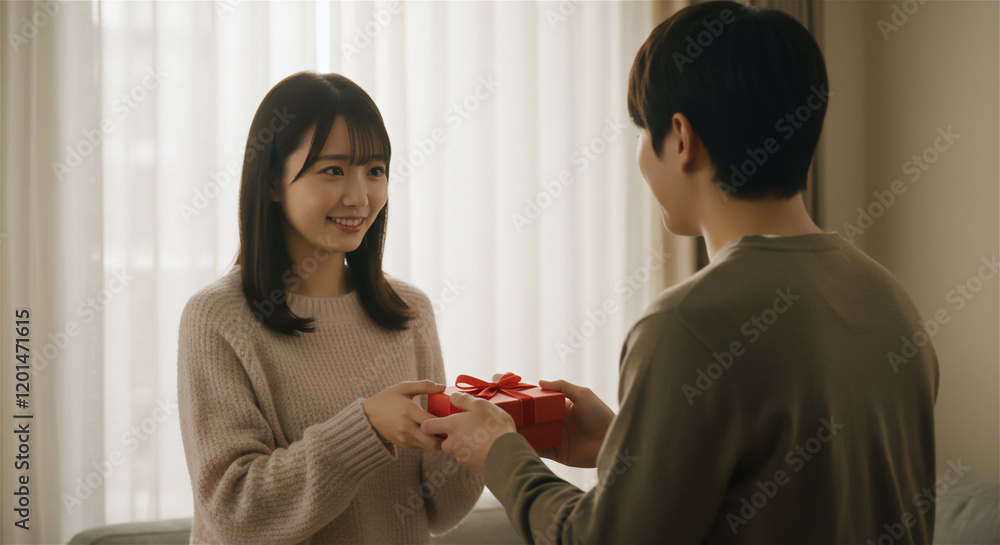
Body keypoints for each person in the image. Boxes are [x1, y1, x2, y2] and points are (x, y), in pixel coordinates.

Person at [421, 2, 939, 543]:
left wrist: (499, 454)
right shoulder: (890, 300)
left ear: (681, 139)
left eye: (641, 131)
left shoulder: (688, 323)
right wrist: (628, 447)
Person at [177, 72, 482, 545]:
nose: (359, 197)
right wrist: (365, 429)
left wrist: (473, 444)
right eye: (334, 170)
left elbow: (439, 510)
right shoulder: (217, 318)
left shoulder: (410, 312)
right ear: (273, 180)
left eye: (375, 170)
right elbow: (235, 511)